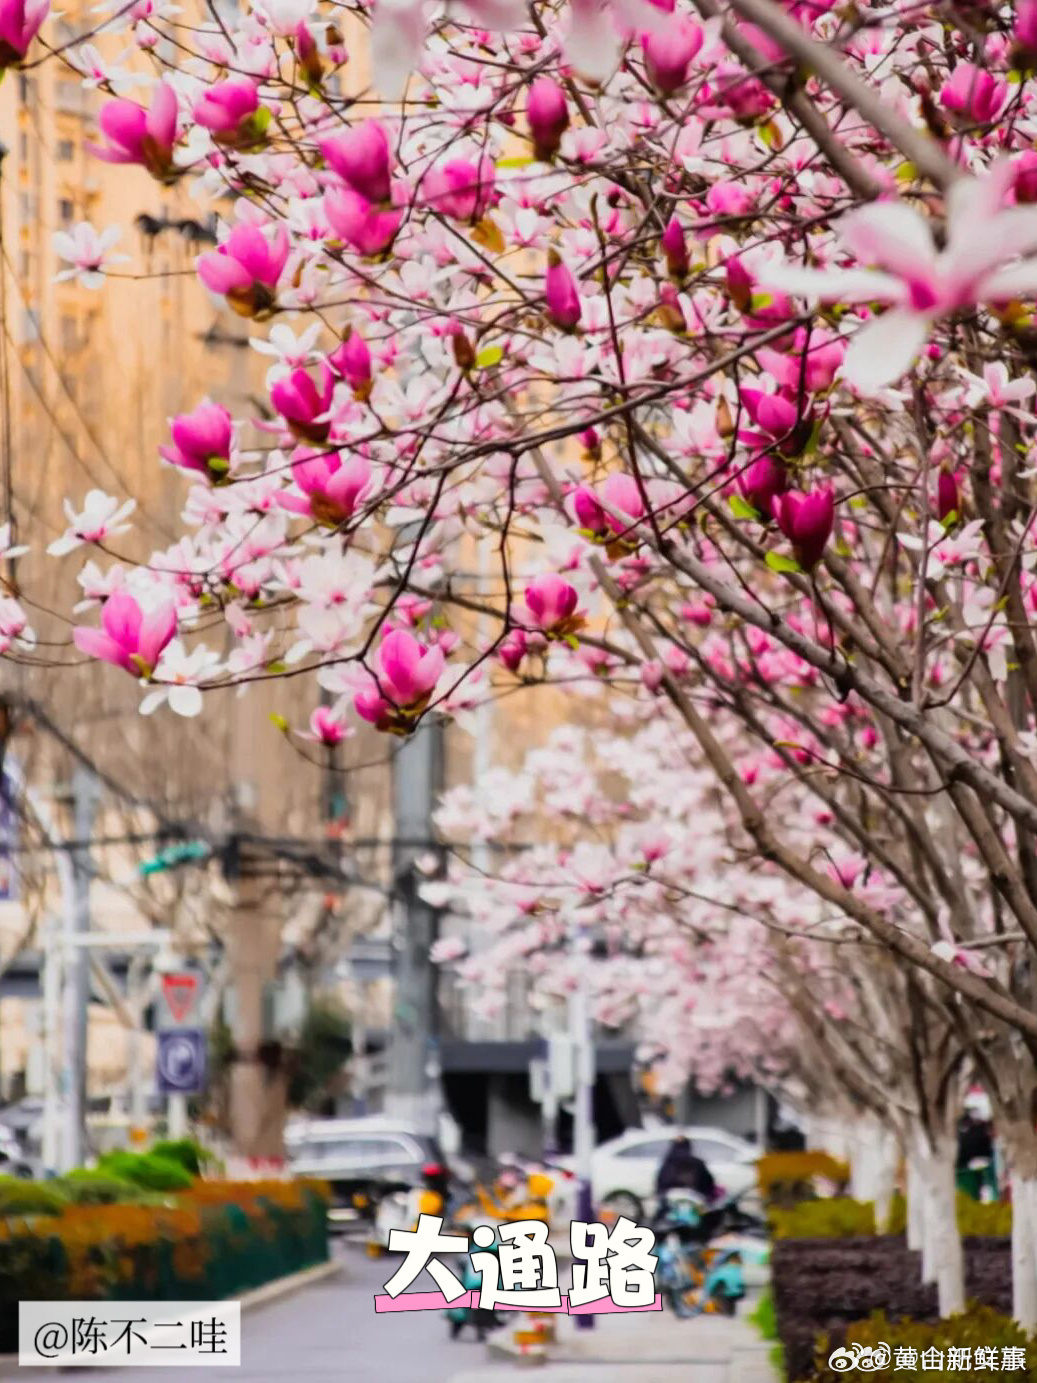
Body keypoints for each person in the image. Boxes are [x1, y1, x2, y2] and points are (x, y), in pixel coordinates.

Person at [655, 1135, 717, 1202]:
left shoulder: (668, 1163)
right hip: (693, 1198)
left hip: (671, 1200)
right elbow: (708, 1183)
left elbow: (660, 1184)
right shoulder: (697, 1163)